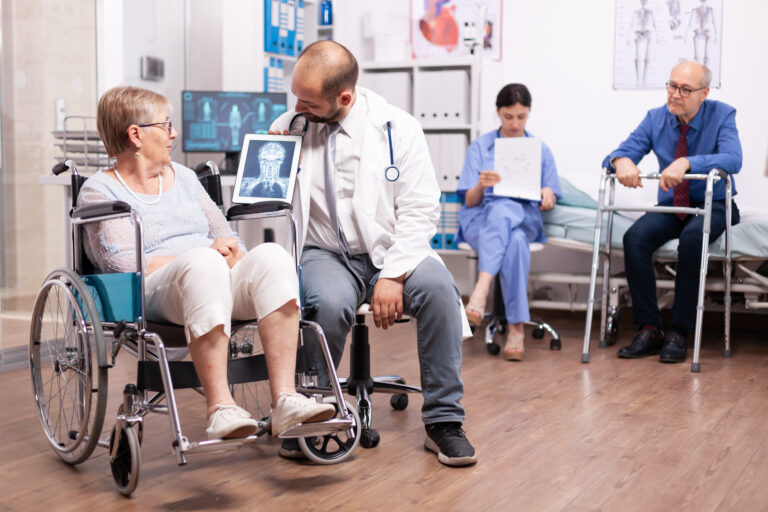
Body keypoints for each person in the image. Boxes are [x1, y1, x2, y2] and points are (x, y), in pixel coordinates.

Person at [79, 86, 335, 442]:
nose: (174, 133)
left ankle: (286, 399)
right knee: (203, 262)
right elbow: (122, 262)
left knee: (272, 256)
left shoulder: (184, 177)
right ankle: (220, 408)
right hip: (153, 290)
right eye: (165, 125)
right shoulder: (99, 190)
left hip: (211, 273)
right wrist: (205, 256)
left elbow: (226, 236)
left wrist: (239, 257)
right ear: (136, 135)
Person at [270, 40, 476, 467]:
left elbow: (421, 211)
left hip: (393, 250)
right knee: (325, 302)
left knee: (439, 292)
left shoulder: (397, 128)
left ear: (343, 98)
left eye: (307, 100)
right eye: (296, 96)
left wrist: (392, 275)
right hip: (326, 252)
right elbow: (266, 201)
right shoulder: (291, 125)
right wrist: (271, 159)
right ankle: (315, 416)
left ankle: (443, 423)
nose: (296, 105)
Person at [603, 61, 741, 363]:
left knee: (693, 239)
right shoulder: (655, 118)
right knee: (635, 238)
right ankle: (650, 329)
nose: (675, 94)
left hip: (713, 204)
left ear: (703, 93)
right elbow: (621, 151)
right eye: (671, 85)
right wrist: (620, 161)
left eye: (685, 89)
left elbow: (733, 159)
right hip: (672, 206)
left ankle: (679, 333)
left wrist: (688, 163)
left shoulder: (722, 114)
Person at [456, 83, 562, 361]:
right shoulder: (481, 147)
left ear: (529, 114)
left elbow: (549, 196)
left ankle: (481, 290)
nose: (515, 123)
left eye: (521, 117)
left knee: (505, 210)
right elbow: (469, 200)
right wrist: (480, 185)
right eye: (508, 116)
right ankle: (516, 329)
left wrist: (548, 193)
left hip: (524, 215)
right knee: (513, 238)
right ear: (498, 113)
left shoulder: (541, 149)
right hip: (482, 219)